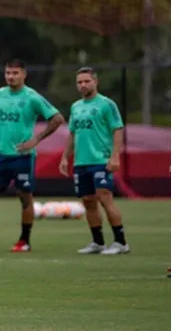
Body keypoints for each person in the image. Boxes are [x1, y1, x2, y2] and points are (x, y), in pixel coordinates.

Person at [0, 59, 65, 252]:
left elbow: (57, 119)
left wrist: (36, 139)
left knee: (24, 197)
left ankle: (24, 241)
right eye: (8, 73)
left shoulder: (32, 97)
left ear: (24, 74)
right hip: (0, 157)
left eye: (15, 73)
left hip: (23, 156)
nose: (11, 77)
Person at [59, 67, 130, 255]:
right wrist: (65, 157)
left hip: (101, 160)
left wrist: (115, 156)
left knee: (105, 199)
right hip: (81, 163)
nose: (83, 85)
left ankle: (121, 242)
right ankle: (98, 242)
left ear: (95, 82)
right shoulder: (75, 107)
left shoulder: (106, 104)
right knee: (88, 201)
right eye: (79, 82)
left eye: (86, 81)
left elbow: (117, 129)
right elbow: (72, 134)